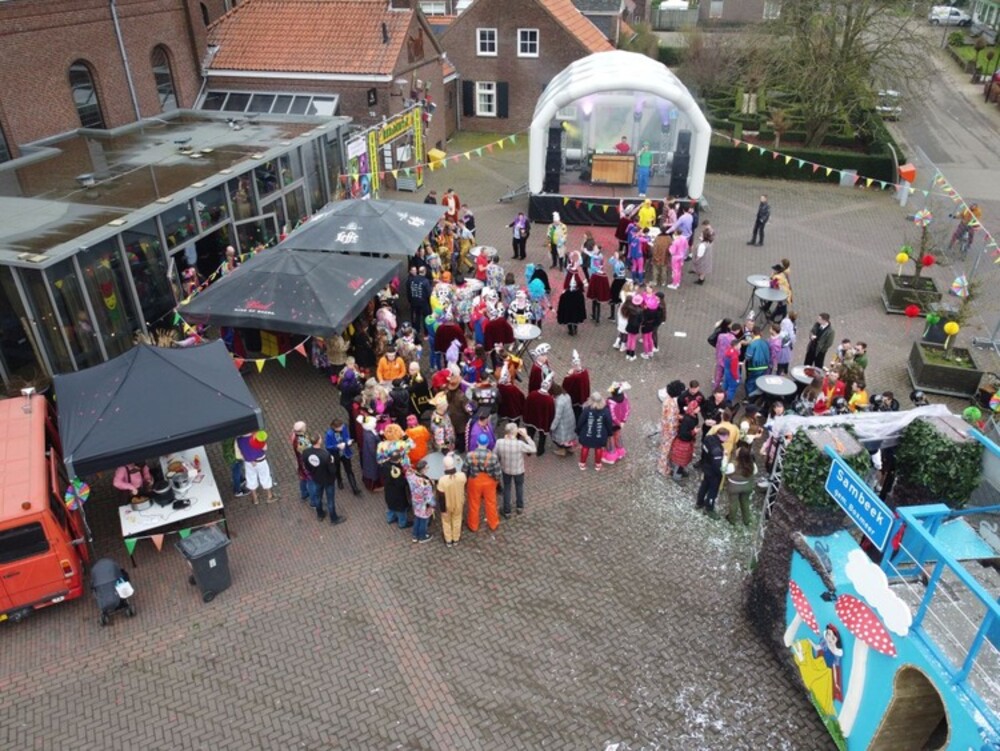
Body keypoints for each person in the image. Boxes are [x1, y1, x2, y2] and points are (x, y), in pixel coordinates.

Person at [494, 422, 537, 518]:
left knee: (507, 488)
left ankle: (507, 511)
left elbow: (495, 455)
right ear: (515, 432)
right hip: (518, 470)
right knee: (519, 487)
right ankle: (519, 507)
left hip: (506, 470)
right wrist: (526, 436)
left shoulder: (499, 442)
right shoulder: (519, 444)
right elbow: (533, 449)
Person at [302, 434, 344, 525]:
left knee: (318, 497)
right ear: (319, 441)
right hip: (328, 480)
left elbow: (306, 466)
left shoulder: (306, 452)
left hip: (316, 478)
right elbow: (332, 471)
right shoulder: (325, 455)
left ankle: (320, 514)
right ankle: (334, 518)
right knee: (330, 500)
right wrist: (332, 462)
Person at [465, 433, 503, 532]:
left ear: (477, 443)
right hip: (489, 482)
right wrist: (496, 481)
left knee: (474, 503)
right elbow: (498, 473)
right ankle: (493, 524)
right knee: (491, 503)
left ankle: (473, 525)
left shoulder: (470, 455)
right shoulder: (493, 456)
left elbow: (464, 470)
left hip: (474, 481)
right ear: (487, 443)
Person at [696, 427, 729, 518]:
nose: (727, 440)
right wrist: (721, 471)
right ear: (723, 436)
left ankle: (699, 502)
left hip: (706, 467)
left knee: (704, 486)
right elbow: (718, 466)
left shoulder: (708, 438)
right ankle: (709, 508)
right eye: (727, 437)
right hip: (713, 472)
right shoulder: (717, 450)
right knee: (713, 491)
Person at [236, 430, 276, 504]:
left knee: (251, 478)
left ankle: (255, 498)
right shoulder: (256, 436)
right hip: (260, 460)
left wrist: (250, 459)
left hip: (248, 462)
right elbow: (265, 448)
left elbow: (240, 453)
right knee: (265, 476)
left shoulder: (239, 439)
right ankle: (269, 496)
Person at [577, 392, 613, 471]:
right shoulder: (605, 410)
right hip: (600, 434)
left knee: (585, 447)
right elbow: (609, 423)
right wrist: (610, 433)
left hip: (587, 433)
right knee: (599, 448)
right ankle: (598, 465)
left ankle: (582, 464)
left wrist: (578, 431)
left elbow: (581, 421)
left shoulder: (587, 410)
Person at [436, 455, 467, 547]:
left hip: (447, 505)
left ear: (444, 466)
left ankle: (448, 540)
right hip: (459, 503)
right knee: (457, 520)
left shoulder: (442, 480)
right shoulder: (462, 476)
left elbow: (441, 496)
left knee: (446, 522)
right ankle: (456, 538)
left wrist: (442, 509)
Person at [656, 380, 685, 476]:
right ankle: (662, 468)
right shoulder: (671, 404)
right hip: (669, 431)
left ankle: (664, 464)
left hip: (666, 428)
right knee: (665, 449)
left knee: (665, 447)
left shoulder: (669, 399)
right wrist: (677, 424)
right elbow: (670, 420)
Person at [326, 418, 361, 495]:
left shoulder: (344, 427)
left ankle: (354, 487)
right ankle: (339, 481)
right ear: (335, 428)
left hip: (345, 453)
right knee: (337, 468)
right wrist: (337, 446)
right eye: (340, 427)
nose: (342, 428)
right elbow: (328, 447)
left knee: (349, 469)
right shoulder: (329, 434)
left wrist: (348, 441)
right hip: (336, 454)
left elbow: (347, 436)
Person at [523, 374, 555, 456]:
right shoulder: (549, 400)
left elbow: (526, 405)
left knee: (530, 434)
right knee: (542, 437)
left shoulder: (532, 394)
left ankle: (528, 450)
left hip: (532, 418)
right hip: (543, 421)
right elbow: (551, 413)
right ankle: (540, 451)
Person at [668, 400, 701, 481]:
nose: (699, 408)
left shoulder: (692, 416)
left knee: (682, 463)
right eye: (697, 407)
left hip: (687, 444)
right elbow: (683, 434)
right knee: (680, 463)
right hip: (683, 445)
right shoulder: (688, 420)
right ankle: (676, 477)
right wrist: (694, 432)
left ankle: (679, 472)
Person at [725, 445, 757, 526]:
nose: (736, 451)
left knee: (733, 503)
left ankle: (732, 519)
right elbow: (755, 472)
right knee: (745, 502)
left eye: (737, 451)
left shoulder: (733, 465)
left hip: (734, 487)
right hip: (747, 486)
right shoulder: (752, 465)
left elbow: (726, 471)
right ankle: (746, 520)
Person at [406, 460, 436, 543]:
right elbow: (429, 497)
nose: (428, 469)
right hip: (423, 504)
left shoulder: (411, 476)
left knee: (417, 518)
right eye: (427, 468)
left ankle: (415, 535)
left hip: (415, 502)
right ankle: (422, 537)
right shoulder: (425, 482)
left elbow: (408, 471)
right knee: (424, 520)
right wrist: (433, 504)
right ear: (423, 469)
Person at [381, 458, 412, 529]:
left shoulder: (385, 465)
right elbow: (401, 484)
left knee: (391, 507)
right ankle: (402, 524)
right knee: (401, 510)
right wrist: (407, 479)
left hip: (388, 491)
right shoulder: (396, 471)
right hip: (397, 494)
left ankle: (390, 518)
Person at [548, 383, 577, 456]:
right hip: (570, 419)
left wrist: (552, 427)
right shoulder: (566, 395)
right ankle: (570, 448)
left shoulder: (559, 402)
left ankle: (562, 450)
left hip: (563, 423)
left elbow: (557, 416)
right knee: (569, 436)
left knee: (561, 438)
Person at [291, 421, 312, 501]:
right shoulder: (302, 440)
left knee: (302, 477)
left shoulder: (294, 435)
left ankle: (304, 493)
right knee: (309, 479)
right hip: (305, 463)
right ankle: (312, 497)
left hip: (300, 461)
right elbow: (306, 452)